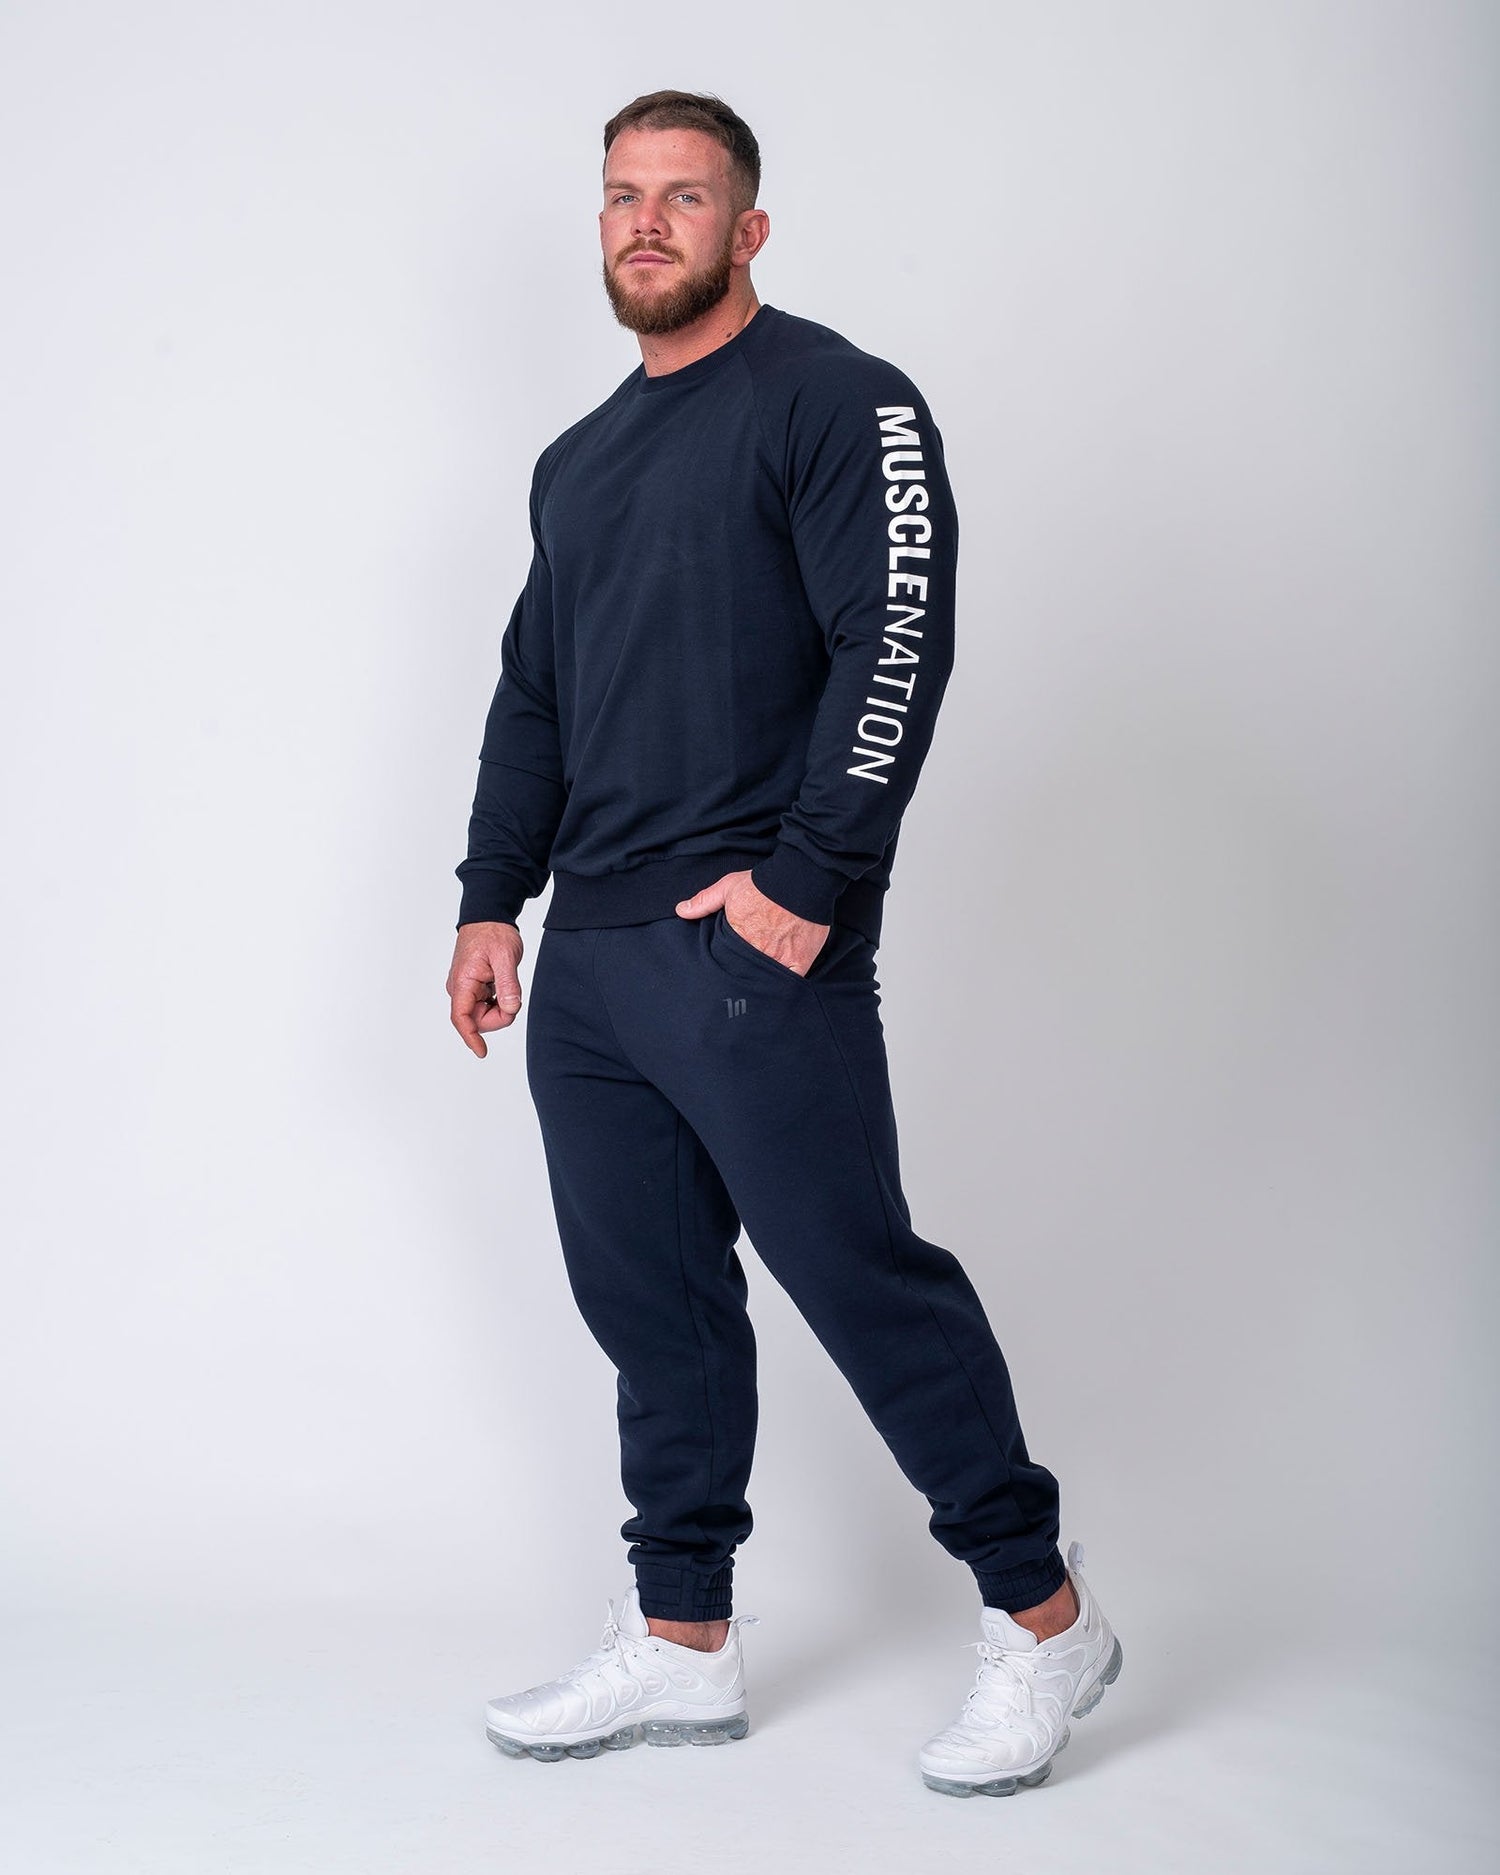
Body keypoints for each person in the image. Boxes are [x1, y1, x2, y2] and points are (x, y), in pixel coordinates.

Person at [446, 89, 1121, 1798]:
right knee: (652, 1309)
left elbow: (898, 637)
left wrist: (806, 886)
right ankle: (682, 1641)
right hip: (593, 959)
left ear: (748, 229)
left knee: (859, 1281)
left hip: (751, 945)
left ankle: (1044, 1620)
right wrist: (489, 897)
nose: (646, 222)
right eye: (622, 195)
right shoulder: (577, 461)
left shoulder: (838, 399)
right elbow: (535, 697)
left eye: (684, 197)